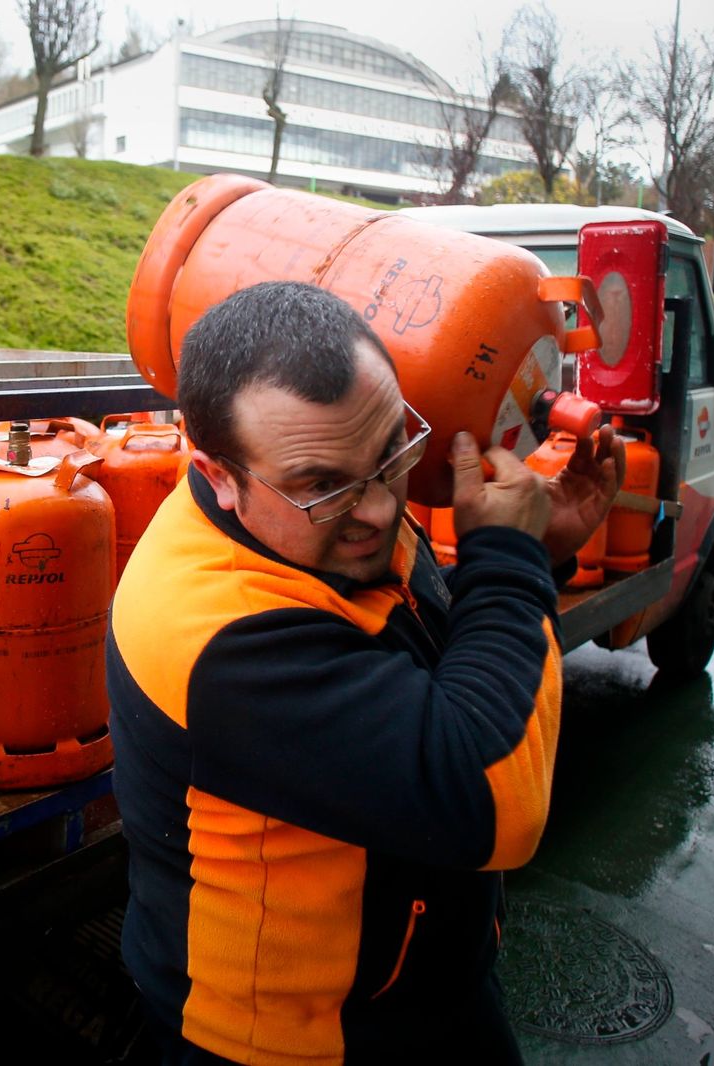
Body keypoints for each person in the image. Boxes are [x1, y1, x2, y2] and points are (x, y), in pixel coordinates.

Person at [108, 281, 623, 1065]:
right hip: (305, 1043)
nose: (380, 509)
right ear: (218, 477)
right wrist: (511, 564)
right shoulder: (219, 633)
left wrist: (537, 548)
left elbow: (434, 651)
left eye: (390, 455)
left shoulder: (324, 521)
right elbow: (492, 794)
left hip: (421, 993)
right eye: (322, 484)